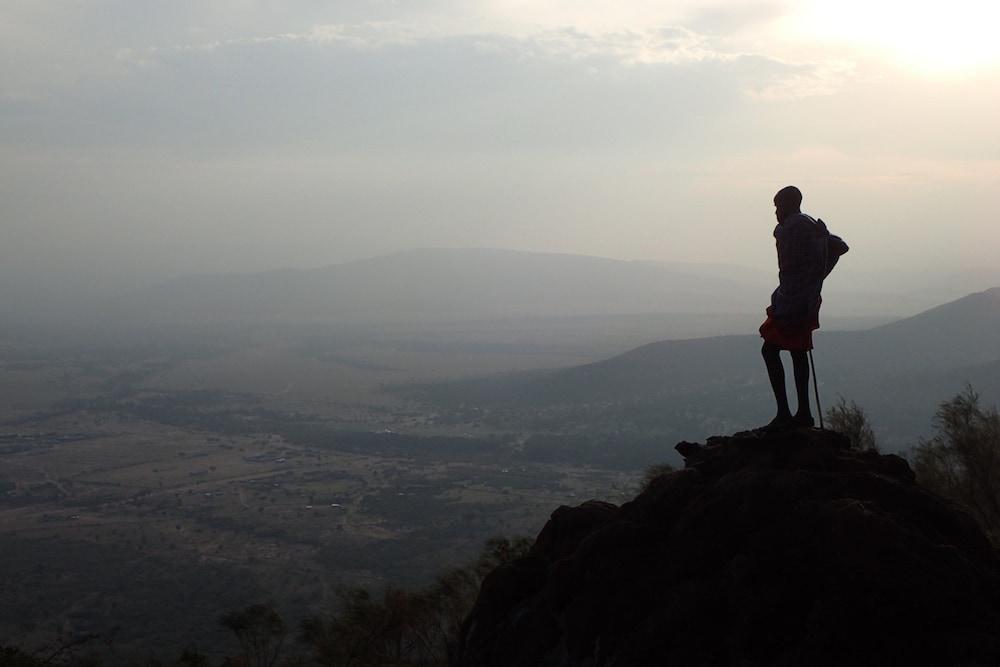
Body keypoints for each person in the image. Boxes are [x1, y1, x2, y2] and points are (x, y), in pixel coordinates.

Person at [759, 186, 845, 430]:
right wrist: (817, 277)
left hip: (795, 301)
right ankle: (801, 412)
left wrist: (814, 277)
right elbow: (839, 246)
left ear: (789, 205)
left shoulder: (796, 226)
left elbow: (838, 246)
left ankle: (789, 413)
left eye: (778, 207)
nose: (776, 212)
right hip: (798, 297)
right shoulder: (806, 225)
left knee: (772, 350)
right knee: (795, 352)